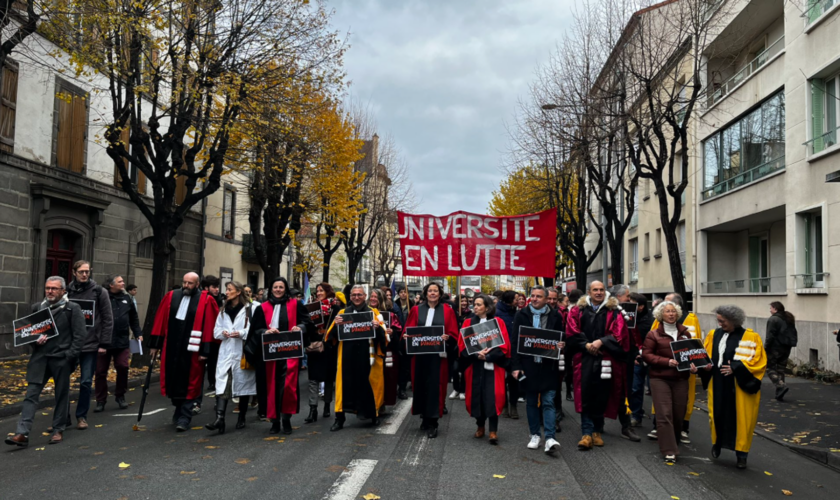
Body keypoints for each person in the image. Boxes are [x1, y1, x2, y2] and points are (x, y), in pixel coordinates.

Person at [5, 277, 86, 447]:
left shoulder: (72, 309)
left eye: (54, 289)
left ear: (63, 291)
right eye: (48, 288)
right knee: (31, 395)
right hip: (40, 360)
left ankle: (58, 429)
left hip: (61, 359)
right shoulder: (37, 308)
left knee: (61, 395)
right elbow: (27, 333)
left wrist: (69, 356)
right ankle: (22, 433)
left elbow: (79, 336)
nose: (50, 291)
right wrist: (35, 341)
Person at [148, 272, 220, 431]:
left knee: (191, 383)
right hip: (172, 347)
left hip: (193, 351)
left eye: (190, 283)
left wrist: (206, 351)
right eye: (184, 282)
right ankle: (178, 409)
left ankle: (185, 417)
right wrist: (155, 345)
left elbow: (210, 327)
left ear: (198, 284)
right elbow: (160, 320)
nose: (186, 286)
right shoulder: (171, 296)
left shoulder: (206, 300)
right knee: (173, 381)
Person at [699, 305, 765, 469]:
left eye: (723, 321)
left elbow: (758, 362)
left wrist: (735, 368)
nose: (720, 324)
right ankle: (717, 444)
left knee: (742, 420)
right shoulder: (714, 335)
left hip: (739, 385)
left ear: (733, 320)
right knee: (717, 414)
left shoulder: (750, 337)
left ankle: (742, 455)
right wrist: (703, 367)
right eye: (718, 320)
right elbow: (706, 357)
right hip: (718, 382)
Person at [566, 281, 629, 450]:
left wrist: (601, 342)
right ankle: (586, 433)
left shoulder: (614, 312)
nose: (599, 292)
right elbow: (571, 331)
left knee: (602, 394)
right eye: (595, 290)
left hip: (605, 358)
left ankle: (597, 431)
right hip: (584, 359)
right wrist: (587, 345)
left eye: (601, 290)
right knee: (585, 394)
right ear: (589, 292)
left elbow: (620, 334)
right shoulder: (577, 310)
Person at [246, 277, 313, 434]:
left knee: (287, 387)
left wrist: (300, 328)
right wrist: (265, 331)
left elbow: (307, 323)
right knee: (271, 388)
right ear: (271, 289)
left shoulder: (295, 304)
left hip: (290, 352)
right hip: (269, 354)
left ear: (285, 289)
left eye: (281, 287)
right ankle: (274, 421)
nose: (278, 289)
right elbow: (255, 330)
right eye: (275, 287)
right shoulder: (262, 308)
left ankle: (286, 419)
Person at [510, 286, 564, 455]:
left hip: (548, 366)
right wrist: (516, 366)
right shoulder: (521, 315)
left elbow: (562, 335)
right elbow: (515, 342)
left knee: (548, 402)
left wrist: (562, 344)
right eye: (532, 296)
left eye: (538, 296)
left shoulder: (555, 316)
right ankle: (534, 435)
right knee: (532, 402)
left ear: (547, 299)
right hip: (528, 366)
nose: (534, 299)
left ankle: (549, 437)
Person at [326, 285, 388, 431]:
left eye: (359, 295)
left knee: (368, 385)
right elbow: (330, 337)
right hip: (347, 354)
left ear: (365, 296)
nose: (356, 297)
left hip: (367, 355)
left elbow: (385, 337)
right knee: (344, 386)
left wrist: (378, 327)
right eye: (354, 295)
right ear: (350, 297)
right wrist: (337, 324)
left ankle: (373, 415)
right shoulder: (343, 313)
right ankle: (339, 419)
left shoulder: (374, 313)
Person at [404, 282, 460, 438]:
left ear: (440, 293)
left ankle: (433, 422)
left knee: (436, 387)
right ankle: (424, 417)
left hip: (437, 357)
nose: (433, 293)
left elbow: (454, 334)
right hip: (420, 356)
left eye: (436, 291)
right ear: (425, 293)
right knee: (421, 386)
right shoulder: (415, 310)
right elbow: (408, 330)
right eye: (430, 291)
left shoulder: (447, 311)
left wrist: (447, 338)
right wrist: (407, 337)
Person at [642, 301, 695, 463]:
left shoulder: (685, 334)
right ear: (660, 315)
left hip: (681, 379)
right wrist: (666, 362)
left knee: (679, 415)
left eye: (673, 311)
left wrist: (694, 366)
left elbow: (691, 355)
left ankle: (674, 442)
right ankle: (669, 449)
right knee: (664, 414)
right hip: (660, 378)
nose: (671, 314)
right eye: (667, 312)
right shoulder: (653, 334)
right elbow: (646, 355)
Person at [648, 292, 703, 443]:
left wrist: (696, 364)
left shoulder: (691, 319)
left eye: (667, 303)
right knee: (661, 400)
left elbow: (696, 342)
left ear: (676, 307)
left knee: (683, 401)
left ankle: (683, 429)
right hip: (664, 366)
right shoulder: (659, 320)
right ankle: (657, 427)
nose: (663, 306)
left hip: (684, 369)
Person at [66, 260, 113, 430]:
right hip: (69, 345)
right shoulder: (67, 291)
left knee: (86, 381)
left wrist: (104, 343)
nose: (84, 274)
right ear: (74, 272)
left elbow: (108, 319)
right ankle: (63, 417)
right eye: (81, 272)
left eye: (87, 271)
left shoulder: (99, 291)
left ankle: (81, 416)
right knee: (63, 381)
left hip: (90, 345)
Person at [205, 281, 257, 434]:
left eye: (229, 290)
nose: (226, 292)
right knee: (223, 384)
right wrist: (223, 333)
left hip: (242, 352)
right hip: (226, 351)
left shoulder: (251, 309)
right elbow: (216, 331)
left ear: (238, 292)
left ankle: (242, 416)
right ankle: (219, 419)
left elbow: (256, 329)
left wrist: (241, 333)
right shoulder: (223, 310)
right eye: (226, 290)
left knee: (243, 385)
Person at [459, 294, 510, 445]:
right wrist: (476, 355)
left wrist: (488, 356)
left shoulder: (498, 322)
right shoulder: (468, 322)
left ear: (487, 308)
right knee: (477, 397)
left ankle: (493, 430)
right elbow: (462, 345)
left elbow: (504, 344)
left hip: (493, 365)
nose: (475, 307)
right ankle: (480, 426)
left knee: (493, 397)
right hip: (474, 366)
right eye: (474, 304)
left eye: (479, 304)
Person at [95, 275, 142, 412]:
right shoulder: (102, 297)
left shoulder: (127, 298)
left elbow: (133, 317)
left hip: (121, 340)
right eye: (120, 282)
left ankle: (120, 395)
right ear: (111, 285)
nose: (123, 283)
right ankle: (100, 400)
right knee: (100, 371)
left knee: (122, 366)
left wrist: (138, 333)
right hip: (104, 341)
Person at [304, 283, 341, 423]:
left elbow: (339, 328)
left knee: (328, 378)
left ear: (328, 292)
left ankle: (326, 405)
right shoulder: (311, 308)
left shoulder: (335, 308)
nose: (318, 293)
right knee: (313, 379)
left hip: (329, 348)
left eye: (321, 291)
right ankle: (312, 409)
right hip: (314, 347)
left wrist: (329, 334)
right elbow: (306, 326)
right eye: (317, 291)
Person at [369, 288, 403, 409]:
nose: (373, 299)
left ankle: (383, 402)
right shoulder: (365, 314)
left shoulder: (391, 315)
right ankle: (372, 403)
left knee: (388, 376)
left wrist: (392, 332)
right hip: (370, 350)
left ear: (381, 299)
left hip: (388, 351)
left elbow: (400, 332)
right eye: (371, 297)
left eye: (376, 297)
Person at [627, 292, 653, 427]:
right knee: (635, 388)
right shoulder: (628, 318)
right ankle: (636, 415)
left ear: (641, 307)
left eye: (630, 304)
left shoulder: (652, 320)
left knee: (654, 389)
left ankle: (658, 421)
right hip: (636, 358)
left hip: (651, 359)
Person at [765, 301, 797, 401]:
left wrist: (765, 348)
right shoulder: (788, 317)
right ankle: (780, 393)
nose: (770, 310)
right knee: (781, 369)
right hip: (786, 347)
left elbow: (770, 335)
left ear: (775, 308)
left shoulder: (773, 319)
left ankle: (780, 385)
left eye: (770, 308)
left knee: (769, 368)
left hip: (775, 347)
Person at [201, 275, 223, 399]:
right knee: (210, 360)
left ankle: (213, 381)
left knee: (214, 360)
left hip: (215, 334)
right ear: (206, 287)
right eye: (214, 287)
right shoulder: (206, 299)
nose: (217, 290)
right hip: (206, 334)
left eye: (217, 287)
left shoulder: (218, 299)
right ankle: (212, 381)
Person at [393, 286, 414, 400]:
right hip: (397, 337)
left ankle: (402, 388)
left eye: (405, 292)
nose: (403, 294)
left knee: (406, 365)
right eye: (401, 292)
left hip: (409, 336)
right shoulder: (394, 305)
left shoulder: (413, 306)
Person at [564, 289, 585, 401]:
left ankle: (569, 391)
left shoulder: (566, 310)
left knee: (569, 368)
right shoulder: (579, 310)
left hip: (568, 342)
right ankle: (572, 389)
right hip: (577, 342)